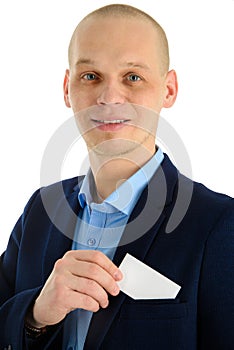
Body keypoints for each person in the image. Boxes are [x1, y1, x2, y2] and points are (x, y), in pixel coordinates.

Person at [0, 3, 233, 350]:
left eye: (132, 77)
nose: (109, 98)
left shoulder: (219, 224)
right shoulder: (39, 211)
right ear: (67, 88)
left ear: (168, 90)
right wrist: (35, 315)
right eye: (90, 76)